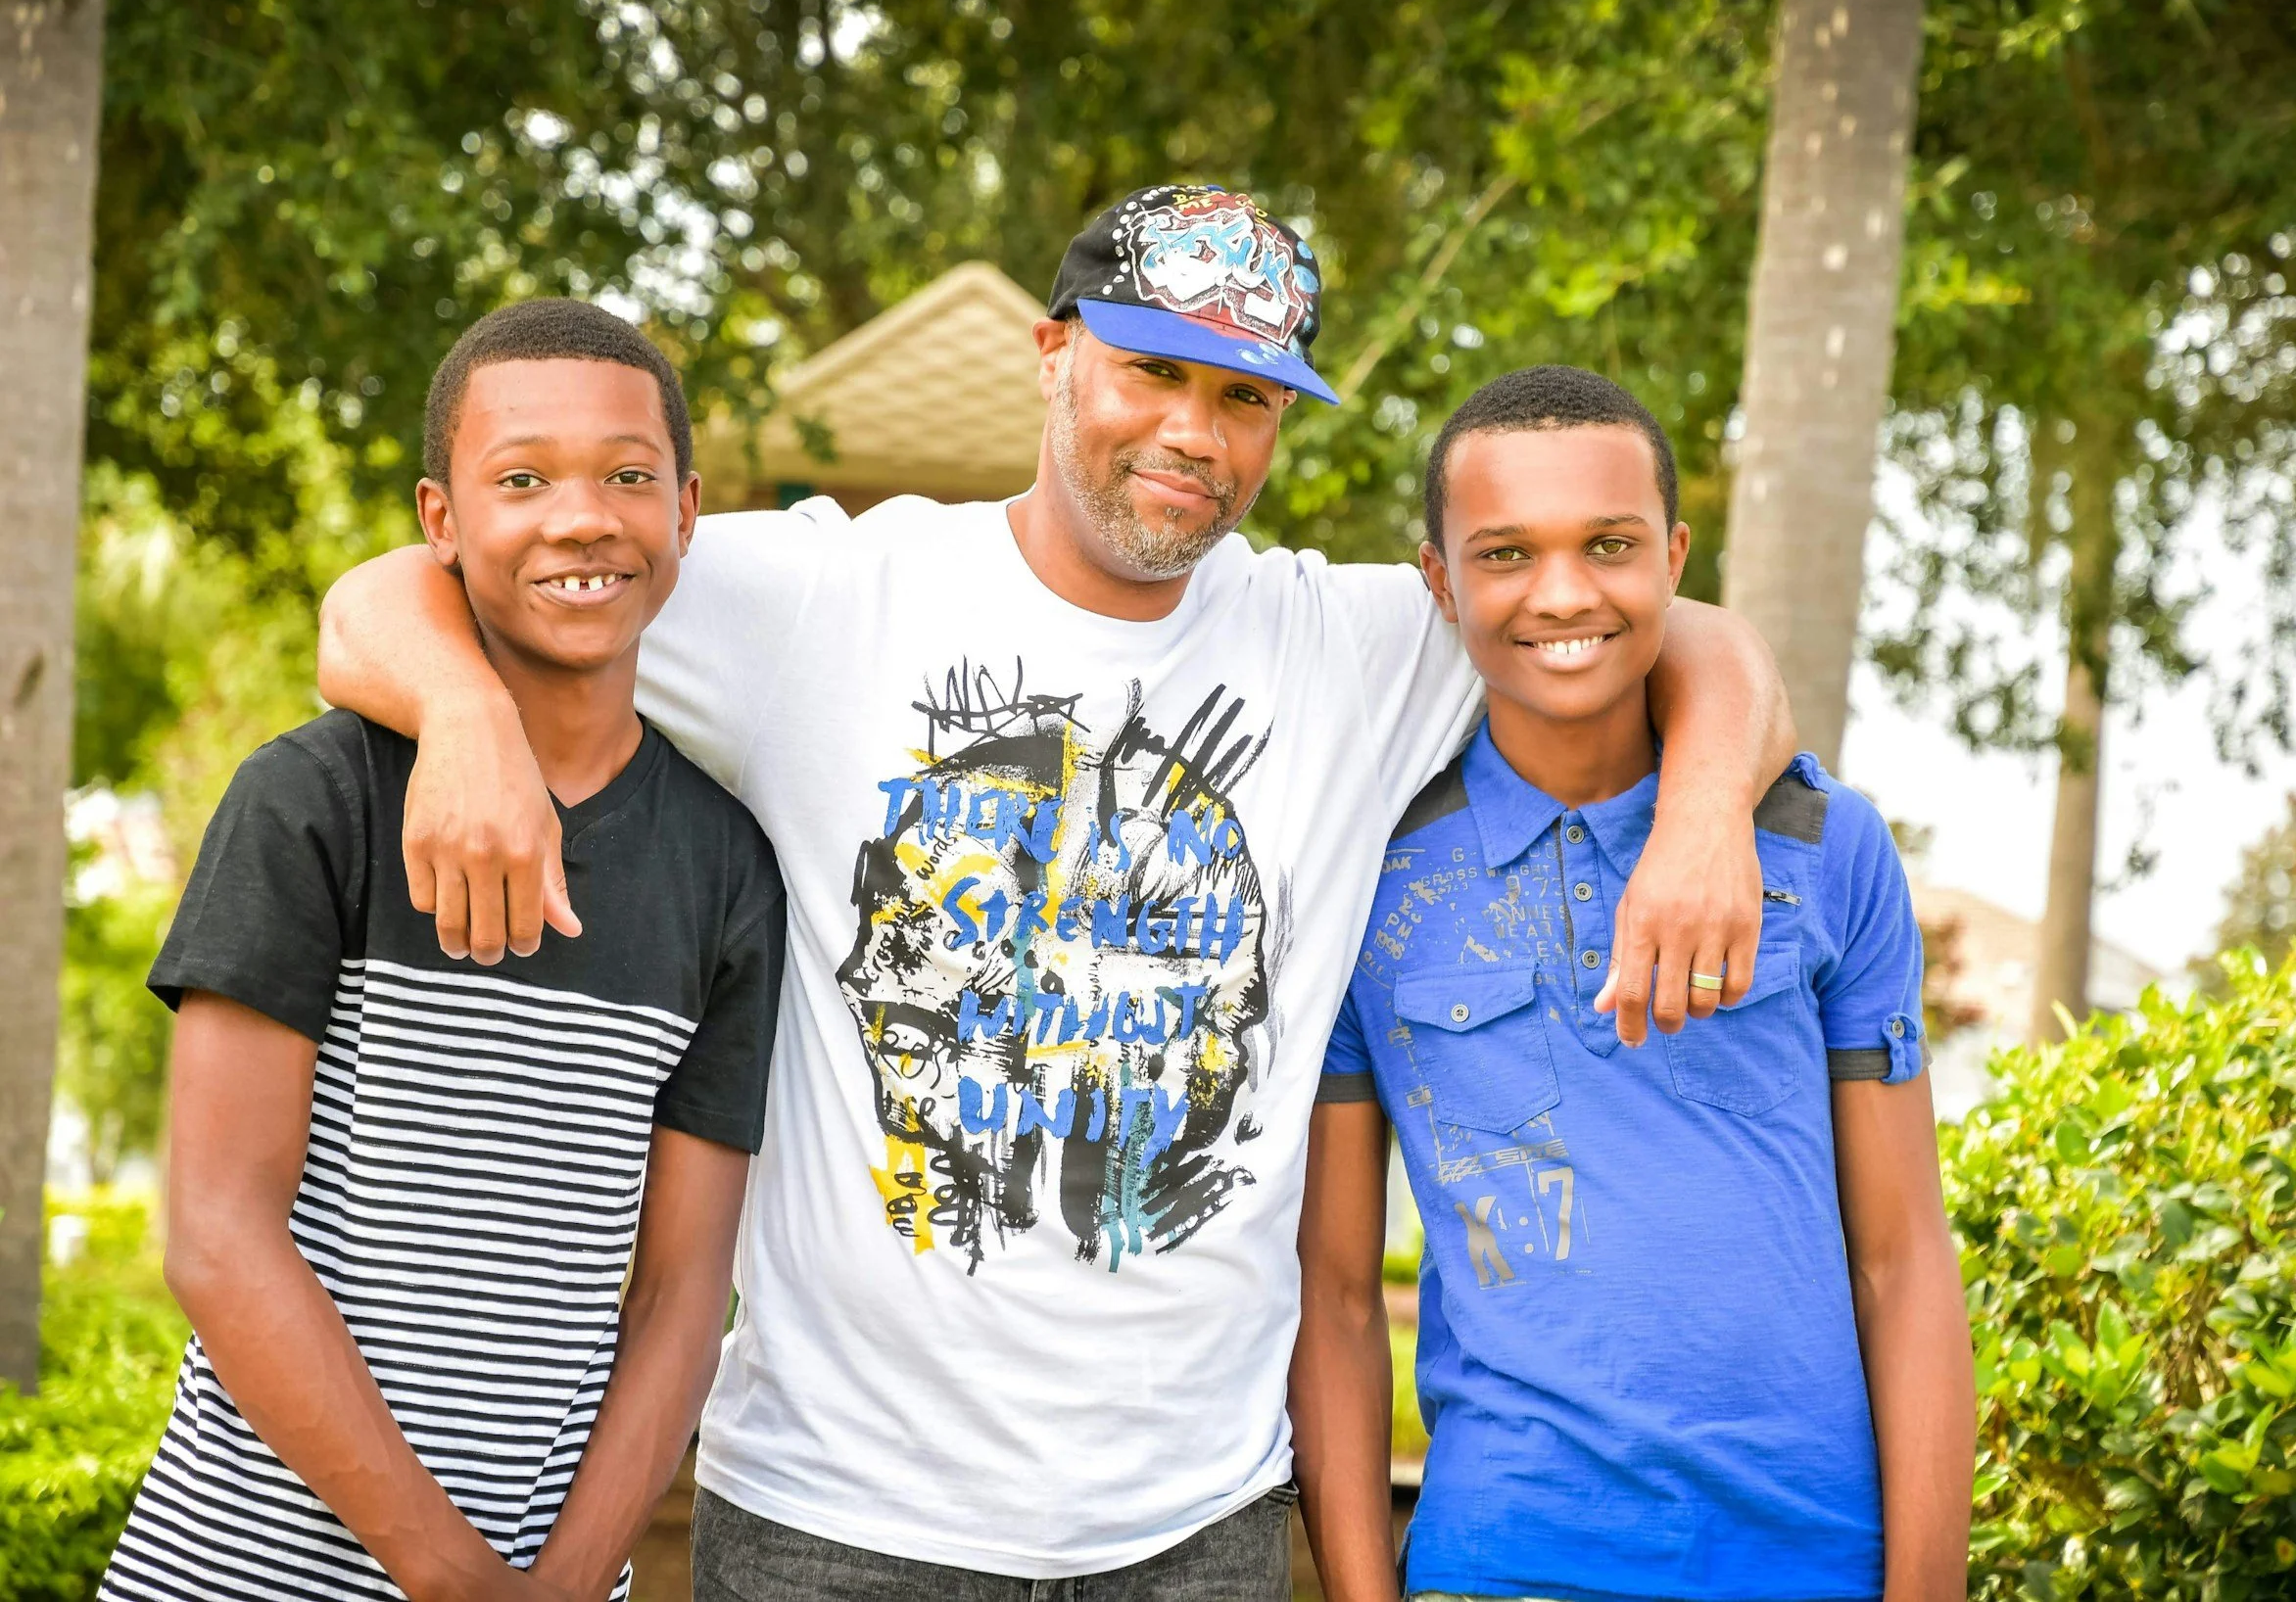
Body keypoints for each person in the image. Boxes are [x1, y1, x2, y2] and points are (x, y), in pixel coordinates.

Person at [317, 187, 1798, 1596]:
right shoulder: (829, 596)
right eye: (1153, 370)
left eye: (1246, 398)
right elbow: (402, 589)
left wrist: (1707, 807)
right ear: (1055, 354)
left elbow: (1680, 628)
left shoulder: (1347, 642)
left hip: (1194, 1522)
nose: (1193, 432)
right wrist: (460, 716)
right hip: (841, 1515)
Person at [101, 300, 789, 1601]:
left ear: (686, 511)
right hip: (241, 1572)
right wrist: (448, 1572)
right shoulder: (316, 799)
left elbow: (683, 1293)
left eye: (629, 476)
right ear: (439, 518)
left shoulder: (727, 871)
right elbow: (216, 1227)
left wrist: (567, 1580)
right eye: (520, 478)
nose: (583, 517)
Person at [1291, 365, 1975, 1602]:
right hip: (1501, 1564)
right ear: (1440, 583)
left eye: (1609, 544)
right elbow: (1335, 1291)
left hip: (1814, 1558)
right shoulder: (1363, 877)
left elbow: (1904, 1256)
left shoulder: (1827, 845)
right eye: (1504, 554)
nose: (1562, 593)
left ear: (1673, 553)